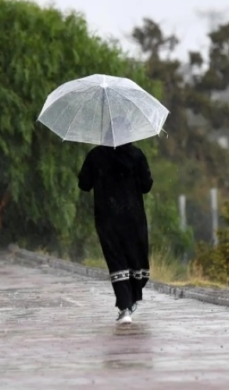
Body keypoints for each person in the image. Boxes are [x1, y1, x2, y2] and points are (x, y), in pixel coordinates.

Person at [77, 118, 153, 325]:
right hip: (133, 217)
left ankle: (125, 306)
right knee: (135, 258)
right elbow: (146, 186)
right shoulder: (137, 155)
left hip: (107, 217)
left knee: (116, 260)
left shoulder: (95, 156)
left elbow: (84, 184)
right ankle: (132, 298)